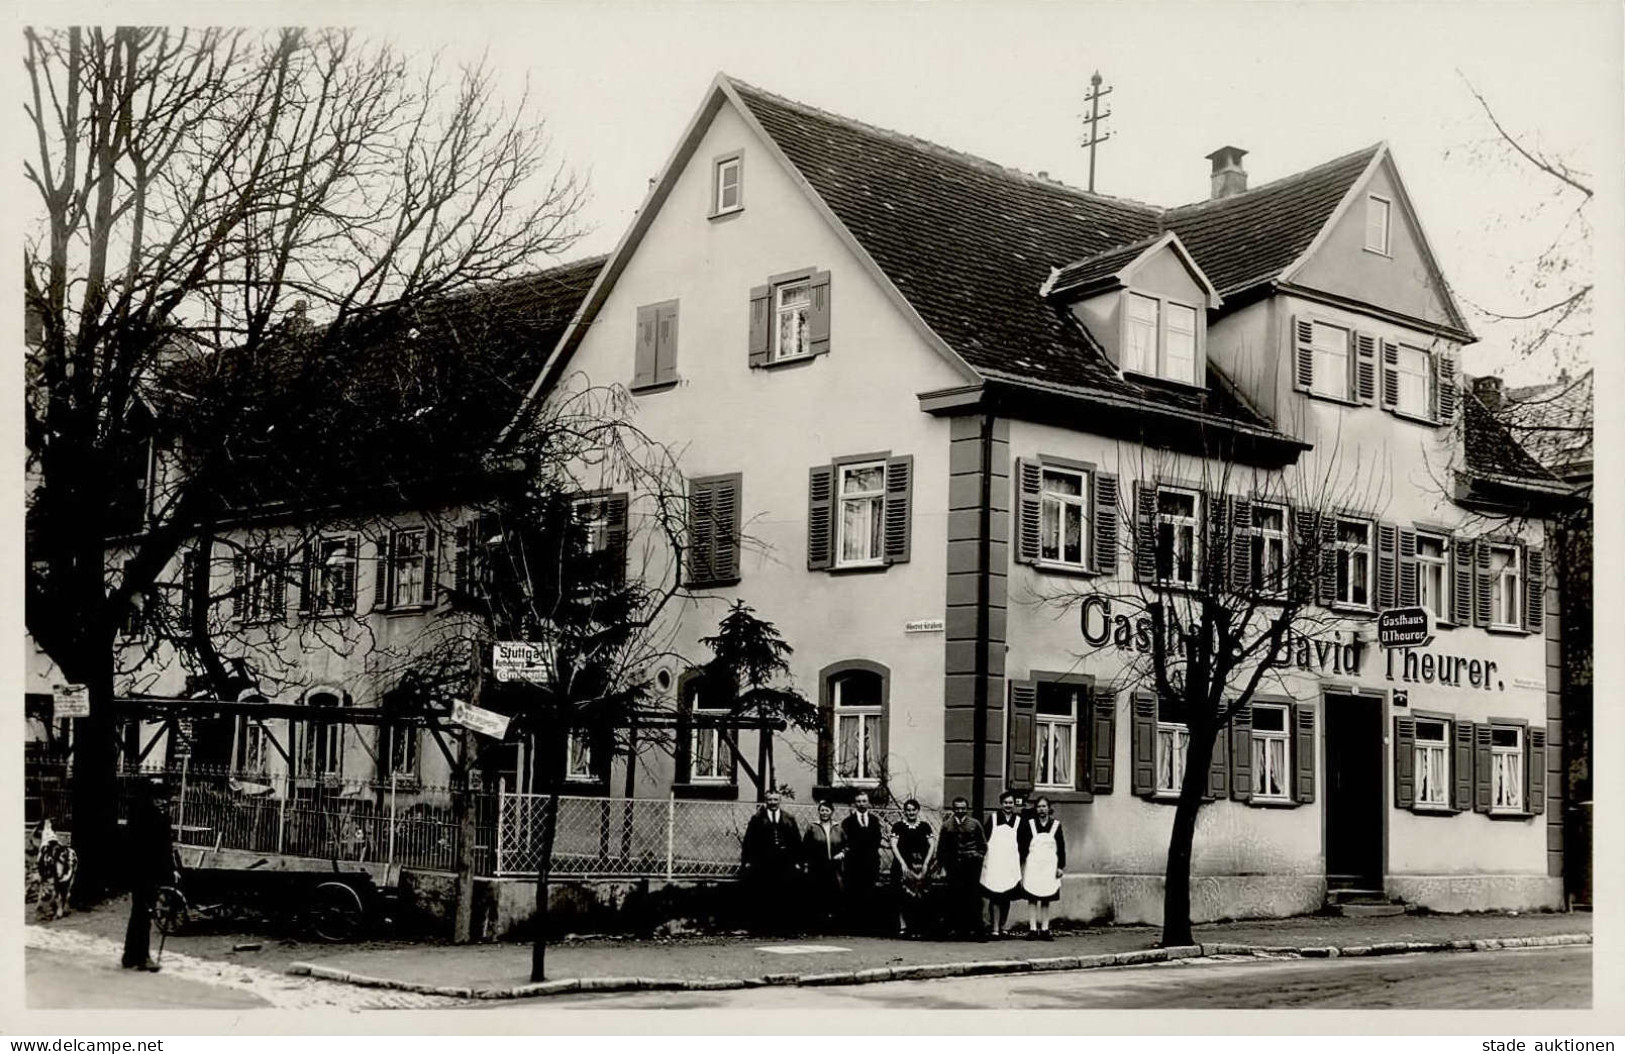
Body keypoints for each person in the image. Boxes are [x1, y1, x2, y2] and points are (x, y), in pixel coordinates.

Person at [122, 777, 178, 971]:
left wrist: (170, 870)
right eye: (159, 798)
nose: (163, 802)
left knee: (139, 912)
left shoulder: (151, 816)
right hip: (145, 871)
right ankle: (142, 956)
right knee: (144, 913)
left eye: (165, 799)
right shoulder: (148, 818)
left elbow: (165, 848)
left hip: (146, 871)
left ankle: (130, 956)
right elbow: (152, 849)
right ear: (151, 799)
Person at [740, 790, 801, 934]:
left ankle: (783, 927)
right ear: (766, 801)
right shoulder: (757, 819)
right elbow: (749, 841)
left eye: (775, 799)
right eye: (770, 800)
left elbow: (796, 840)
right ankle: (764, 928)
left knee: (784, 894)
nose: (773, 802)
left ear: (780, 801)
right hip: (764, 863)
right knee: (765, 893)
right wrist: (747, 861)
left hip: (784, 863)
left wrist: (798, 861)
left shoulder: (789, 818)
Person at [933, 796, 986, 939]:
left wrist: (977, 857)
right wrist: (943, 865)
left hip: (971, 867)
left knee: (973, 898)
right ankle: (956, 930)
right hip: (953, 867)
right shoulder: (947, 825)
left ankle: (976, 931)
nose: (960, 811)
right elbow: (941, 848)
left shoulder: (975, 824)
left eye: (963, 808)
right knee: (954, 898)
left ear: (967, 809)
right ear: (953, 809)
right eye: (957, 808)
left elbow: (983, 845)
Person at [1018, 795, 1067, 940]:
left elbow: (1061, 847)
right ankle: (1033, 929)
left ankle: (1045, 929)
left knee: (1046, 897)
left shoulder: (1056, 825)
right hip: (1033, 865)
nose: (1042, 809)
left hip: (1049, 866)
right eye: (1039, 807)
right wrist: (1021, 865)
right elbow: (1023, 846)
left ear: (1049, 808)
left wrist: (1060, 866)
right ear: (1036, 809)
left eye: (1044, 806)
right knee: (1032, 897)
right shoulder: (1030, 824)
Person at [980, 790, 1023, 937]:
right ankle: (995, 928)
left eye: (1010, 803)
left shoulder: (1018, 821)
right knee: (995, 897)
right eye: (1005, 803)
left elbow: (1023, 843)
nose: (1008, 805)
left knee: (1007, 897)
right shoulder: (993, 819)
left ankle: (1004, 926)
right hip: (995, 863)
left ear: (1014, 804)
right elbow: (984, 840)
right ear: (1001, 804)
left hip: (1010, 864)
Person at [888, 798, 934, 937]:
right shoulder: (898, 826)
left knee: (920, 896)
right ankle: (904, 926)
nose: (911, 813)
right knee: (902, 897)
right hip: (902, 866)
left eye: (913, 810)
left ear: (918, 811)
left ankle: (918, 926)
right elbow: (894, 845)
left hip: (920, 866)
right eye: (908, 810)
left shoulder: (925, 826)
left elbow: (932, 845)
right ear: (904, 811)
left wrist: (926, 863)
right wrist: (902, 863)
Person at [839, 791, 883, 933]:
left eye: (864, 801)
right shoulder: (848, 822)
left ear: (868, 802)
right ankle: (854, 926)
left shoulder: (875, 820)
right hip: (854, 865)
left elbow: (877, 840)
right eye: (859, 801)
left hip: (871, 863)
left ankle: (868, 926)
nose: (861, 804)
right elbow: (847, 842)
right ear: (855, 803)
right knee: (854, 894)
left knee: (869, 893)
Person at [802, 800, 845, 932]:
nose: (824, 813)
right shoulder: (812, 827)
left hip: (834, 865)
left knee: (834, 892)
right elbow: (805, 847)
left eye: (827, 810)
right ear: (819, 811)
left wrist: (842, 854)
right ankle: (816, 924)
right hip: (817, 865)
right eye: (822, 810)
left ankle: (832, 924)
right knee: (817, 893)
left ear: (832, 812)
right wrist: (806, 864)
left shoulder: (838, 827)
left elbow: (846, 845)